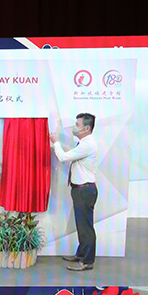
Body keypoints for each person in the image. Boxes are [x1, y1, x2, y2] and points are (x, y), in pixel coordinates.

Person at [51, 113, 99, 272]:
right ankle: (81, 254)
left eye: (77, 125)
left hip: (84, 191)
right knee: (81, 224)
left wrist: (56, 142)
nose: (74, 127)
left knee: (85, 227)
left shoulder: (87, 145)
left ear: (86, 128)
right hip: (81, 190)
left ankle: (87, 261)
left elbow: (63, 157)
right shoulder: (83, 143)